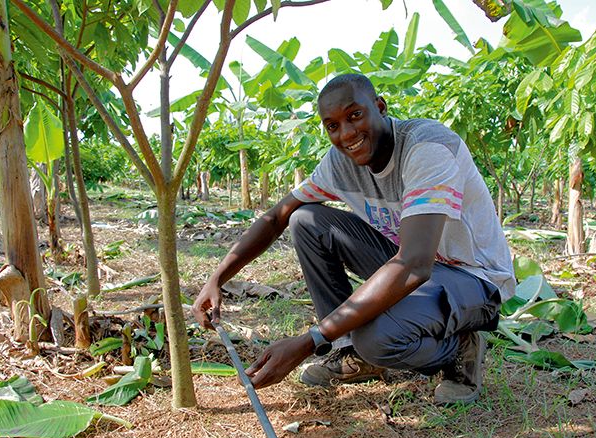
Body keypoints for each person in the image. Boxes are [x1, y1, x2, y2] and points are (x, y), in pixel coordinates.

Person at [193, 73, 515, 404]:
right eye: (332, 125)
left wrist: (309, 341)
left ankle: (459, 348)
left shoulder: (427, 148)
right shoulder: (341, 163)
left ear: (379, 107)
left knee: (377, 339)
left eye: (355, 115)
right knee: (306, 219)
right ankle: (349, 354)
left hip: (473, 277)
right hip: (412, 261)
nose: (346, 133)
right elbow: (278, 216)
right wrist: (218, 278)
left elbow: (414, 265)